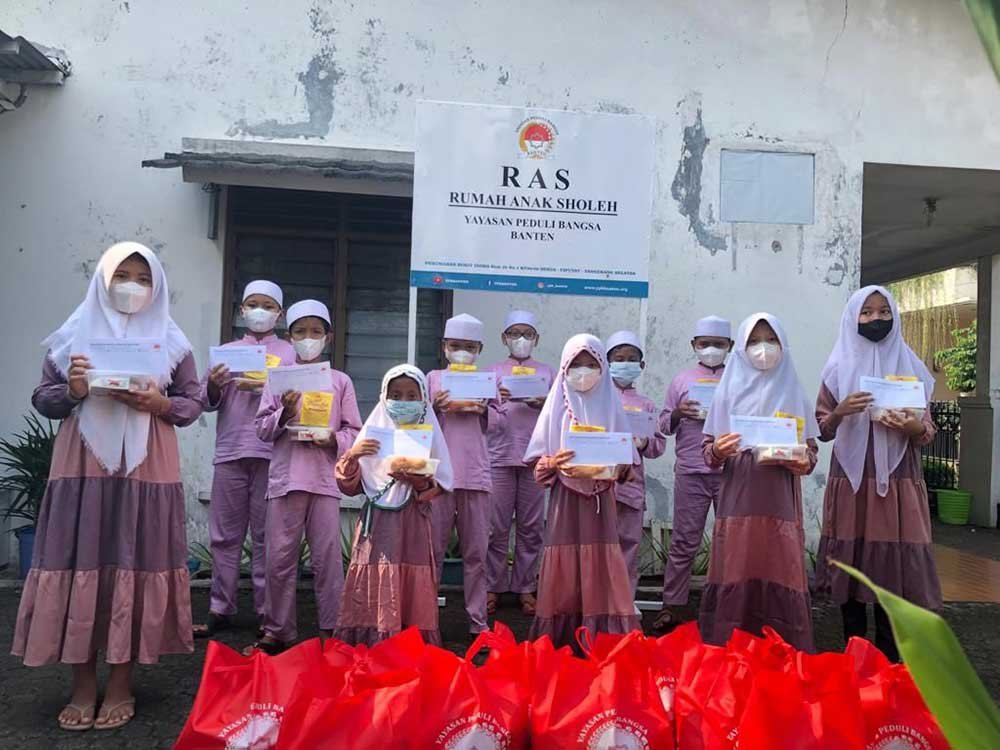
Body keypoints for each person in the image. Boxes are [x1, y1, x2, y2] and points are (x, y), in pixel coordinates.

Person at [12, 242, 202, 731]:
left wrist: (159, 403)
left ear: (157, 286)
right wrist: (73, 390)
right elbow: (44, 397)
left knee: (133, 561)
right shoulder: (74, 333)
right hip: (84, 463)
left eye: (143, 277)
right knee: (82, 558)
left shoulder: (171, 339)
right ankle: (82, 684)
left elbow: (192, 402)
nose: (132, 286)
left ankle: (120, 683)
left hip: (146, 464)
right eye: (122, 275)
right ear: (102, 279)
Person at [814, 286, 941, 662]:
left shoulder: (910, 367)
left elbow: (927, 431)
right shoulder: (837, 369)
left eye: (884, 311)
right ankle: (854, 655)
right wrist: (842, 411)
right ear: (853, 318)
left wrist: (912, 427)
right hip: (852, 478)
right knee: (853, 562)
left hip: (898, 477)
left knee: (892, 568)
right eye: (866, 312)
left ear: (895, 317)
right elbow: (822, 429)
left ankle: (890, 659)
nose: (875, 319)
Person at [249, 300, 362, 654]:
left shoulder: (340, 381)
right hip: (286, 480)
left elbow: (354, 432)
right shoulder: (278, 379)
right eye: (300, 332)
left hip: (324, 481)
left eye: (315, 331)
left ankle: (331, 627)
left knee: (327, 560)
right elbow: (261, 429)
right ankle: (277, 629)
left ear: (329, 337)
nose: (308, 338)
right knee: (279, 560)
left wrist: (332, 439)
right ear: (290, 337)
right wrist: (284, 411)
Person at [700, 313, 818, 652]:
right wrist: (719, 450)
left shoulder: (794, 391)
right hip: (740, 495)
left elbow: (811, 452)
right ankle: (731, 647)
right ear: (741, 347)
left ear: (783, 345)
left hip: (779, 499)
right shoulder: (727, 392)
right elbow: (708, 452)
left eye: (770, 340)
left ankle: (783, 648)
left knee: (779, 564)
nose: (762, 348)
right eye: (753, 341)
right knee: (738, 563)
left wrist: (803, 460)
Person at [526, 334, 641, 650]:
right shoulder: (557, 407)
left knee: (600, 562)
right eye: (576, 364)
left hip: (600, 502)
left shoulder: (610, 406)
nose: (584, 372)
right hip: (565, 501)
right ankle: (563, 635)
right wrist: (553, 461)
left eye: (592, 364)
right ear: (564, 367)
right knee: (564, 562)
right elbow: (539, 469)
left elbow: (628, 468)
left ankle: (601, 634)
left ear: (603, 368)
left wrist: (617, 465)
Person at [194, 280, 295, 638]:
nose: (259, 312)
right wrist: (215, 384)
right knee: (224, 536)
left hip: (272, 453)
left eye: (267, 306)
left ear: (279, 314)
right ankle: (220, 607)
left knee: (268, 536)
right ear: (241, 310)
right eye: (253, 304)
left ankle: (268, 612)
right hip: (230, 451)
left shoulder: (290, 354)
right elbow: (204, 401)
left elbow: (302, 400)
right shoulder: (225, 352)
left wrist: (272, 387)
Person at [334, 364, 454, 646]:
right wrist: (353, 455)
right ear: (384, 397)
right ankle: (372, 641)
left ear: (423, 399)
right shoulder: (372, 434)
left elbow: (439, 485)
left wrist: (417, 479)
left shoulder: (429, 434)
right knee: (376, 572)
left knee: (411, 575)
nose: (403, 401)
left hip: (413, 521)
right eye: (396, 395)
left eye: (412, 395)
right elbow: (349, 485)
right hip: (377, 524)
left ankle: (409, 643)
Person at [652, 315, 733, 633]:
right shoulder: (681, 380)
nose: (711, 349)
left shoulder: (739, 377)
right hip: (691, 470)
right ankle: (672, 604)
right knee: (684, 540)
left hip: (730, 470)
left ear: (730, 346)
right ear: (694, 345)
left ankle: (726, 606)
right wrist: (678, 413)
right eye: (705, 344)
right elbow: (662, 425)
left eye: (718, 344)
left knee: (730, 541)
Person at [485, 310, 554, 616]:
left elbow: (561, 412)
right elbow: (479, 413)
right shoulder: (491, 372)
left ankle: (526, 586)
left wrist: (543, 403)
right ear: (504, 338)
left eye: (527, 334)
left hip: (534, 458)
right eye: (515, 333)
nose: (521, 339)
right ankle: (493, 586)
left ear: (536, 338)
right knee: (495, 527)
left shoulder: (549, 373)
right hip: (499, 456)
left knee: (531, 527)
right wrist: (496, 400)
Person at [427, 313, 493, 634]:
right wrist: (434, 406)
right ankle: (426, 618)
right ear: (444, 347)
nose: (462, 352)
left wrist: (485, 409)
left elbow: (503, 425)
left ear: (479, 348)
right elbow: (417, 422)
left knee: (476, 554)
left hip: (475, 475)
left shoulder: (487, 381)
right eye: (456, 345)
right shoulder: (433, 378)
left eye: (469, 346)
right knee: (432, 551)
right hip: (440, 475)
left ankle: (478, 621)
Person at [605, 330, 666, 594]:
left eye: (631, 359)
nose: (625, 364)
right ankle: (596, 598)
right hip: (600, 482)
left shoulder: (646, 405)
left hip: (631, 485)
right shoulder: (597, 399)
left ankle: (624, 599)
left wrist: (644, 443)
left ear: (641, 365)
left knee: (629, 542)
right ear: (607, 362)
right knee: (599, 541)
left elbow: (658, 445)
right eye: (619, 359)